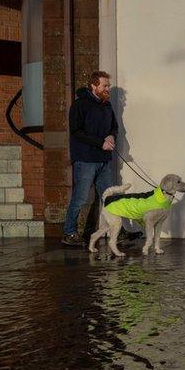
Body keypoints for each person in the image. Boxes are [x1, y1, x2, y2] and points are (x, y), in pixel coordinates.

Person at [62, 71, 118, 246]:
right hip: (85, 160)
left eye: (108, 86)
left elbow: (114, 127)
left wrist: (110, 137)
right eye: (105, 86)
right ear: (94, 86)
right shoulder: (80, 105)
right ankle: (69, 233)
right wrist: (100, 142)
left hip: (104, 160)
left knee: (109, 198)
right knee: (80, 198)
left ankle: (117, 232)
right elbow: (76, 131)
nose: (108, 89)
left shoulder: (107, 105)